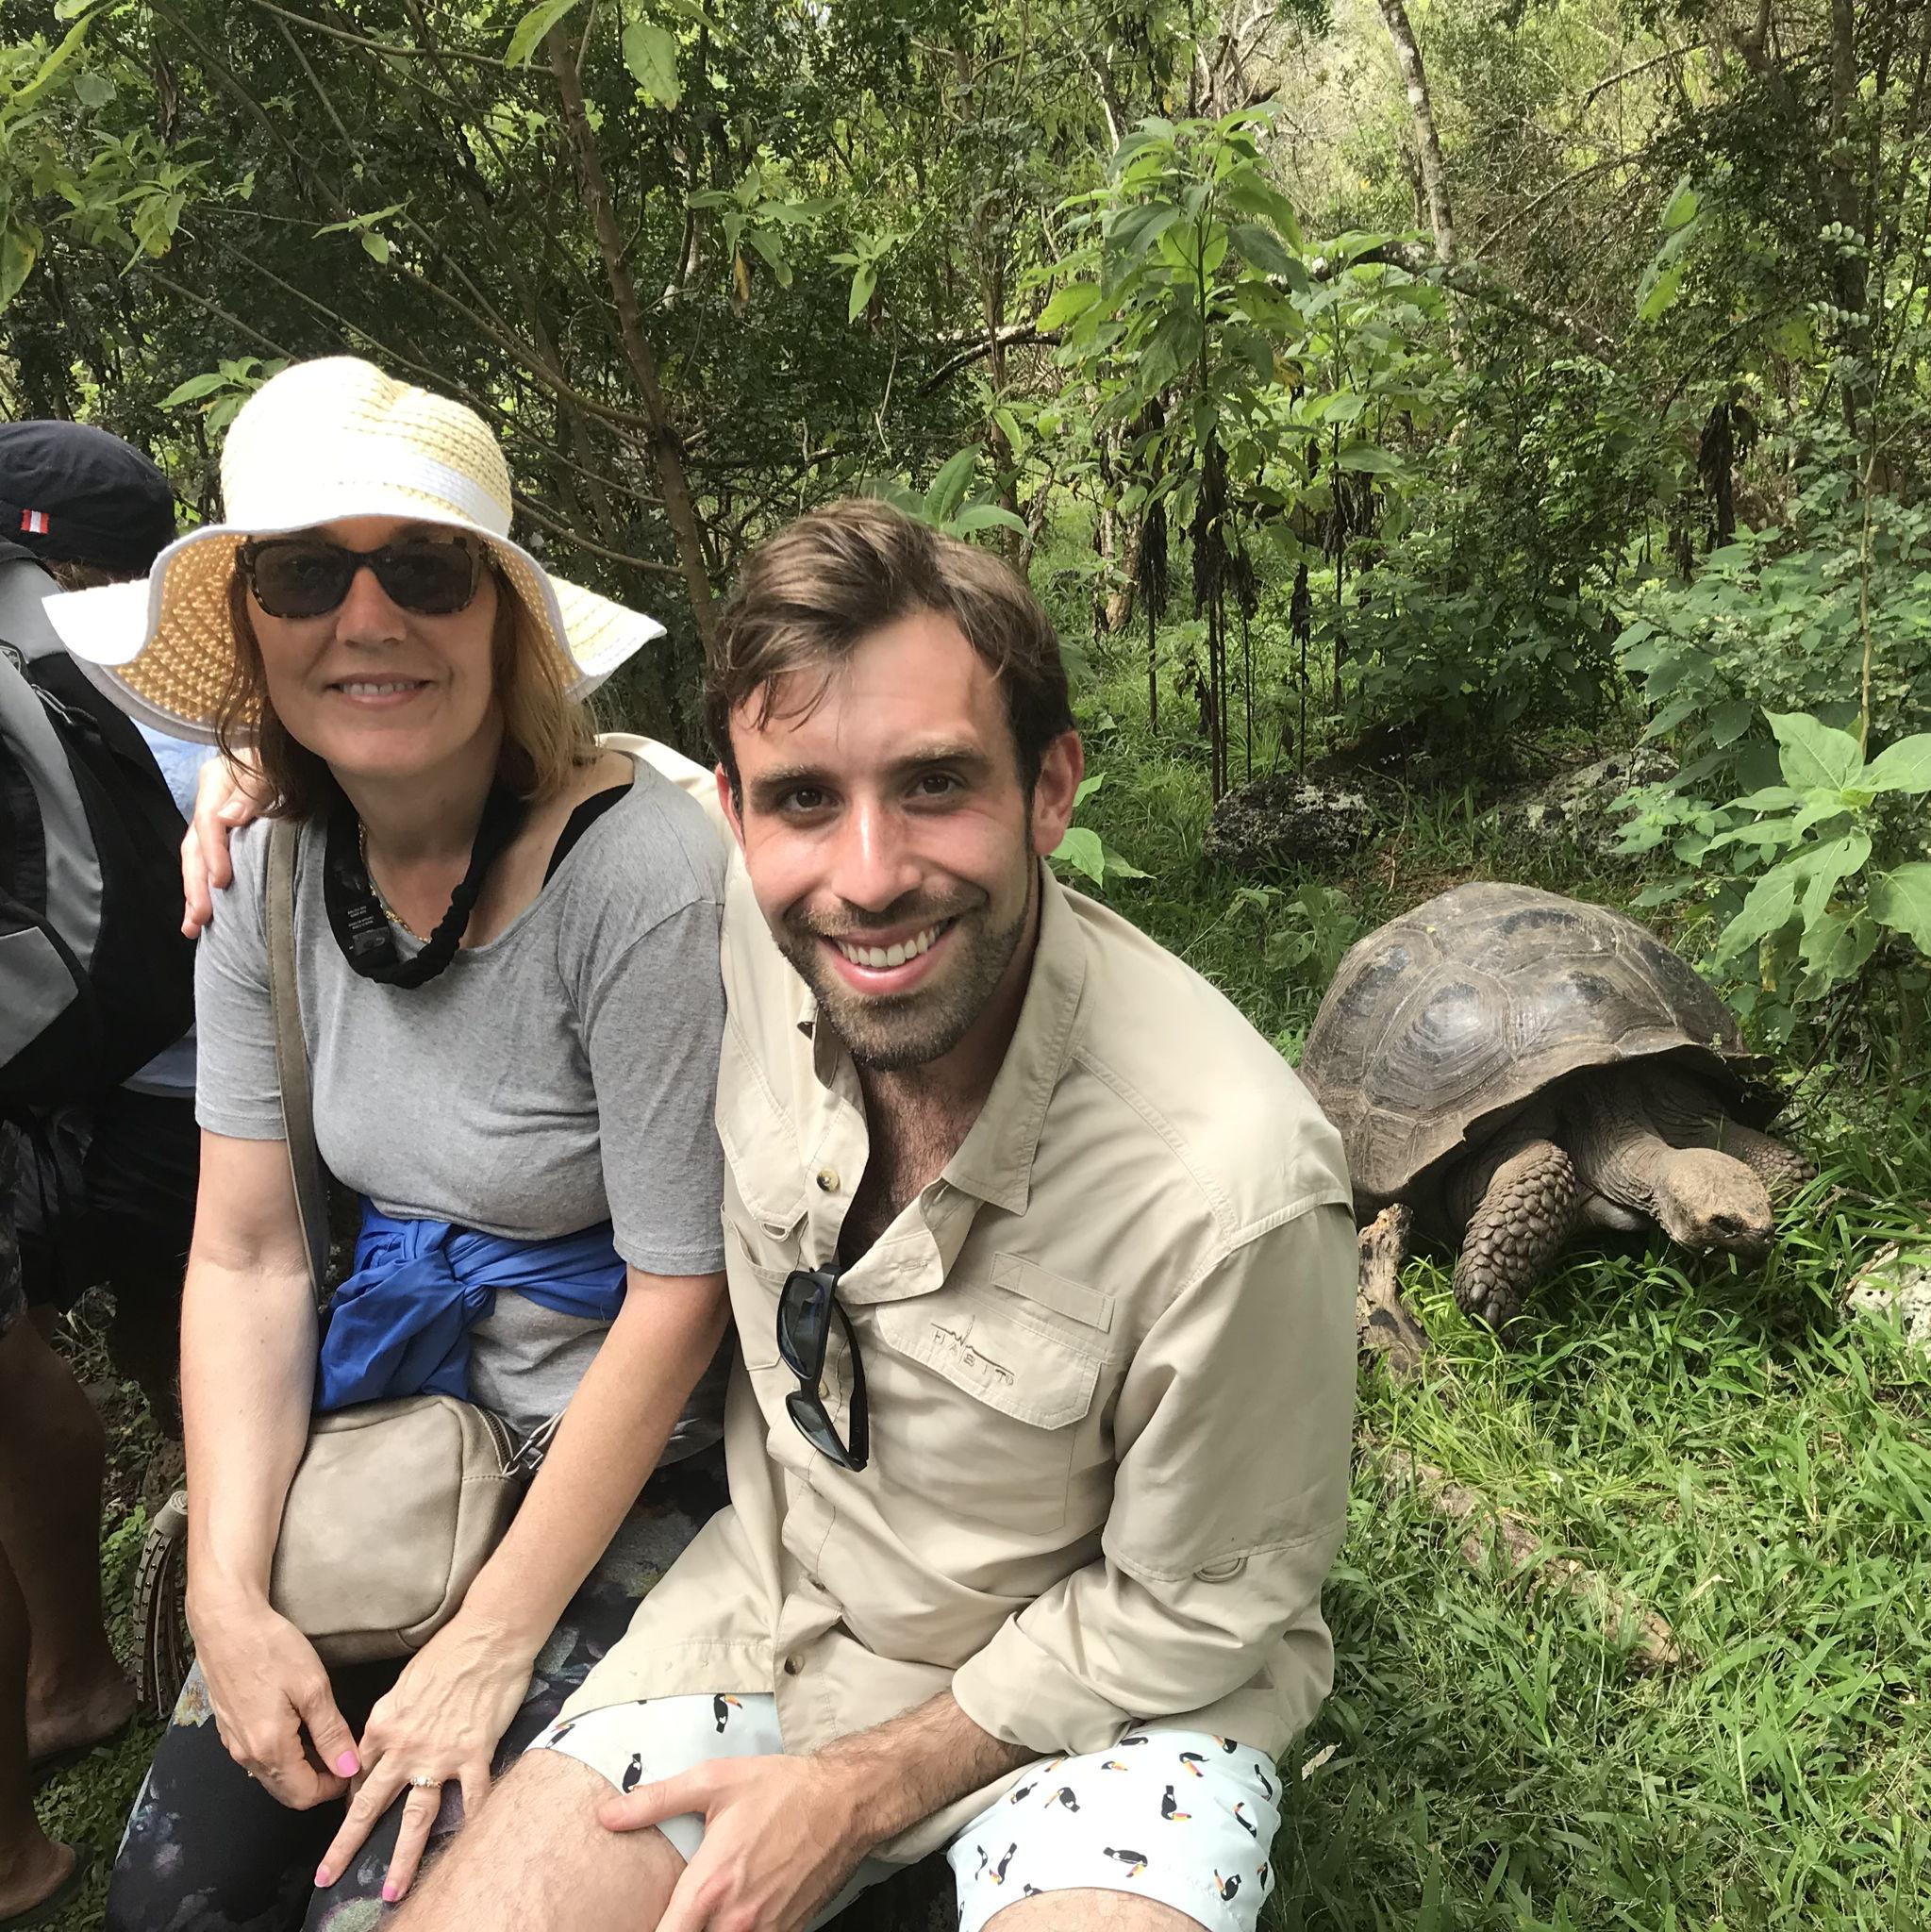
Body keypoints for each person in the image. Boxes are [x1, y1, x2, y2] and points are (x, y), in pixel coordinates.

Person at [350, 498, 1355, 1932]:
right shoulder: (737, 911)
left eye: (937, 785)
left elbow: (1197, 1610)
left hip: (1114, 1706)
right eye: (805, 799)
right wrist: (264, 786)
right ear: (739, 811)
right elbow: (529, 768)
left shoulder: (1232, 1192)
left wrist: (866, 1790)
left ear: (1050, 788)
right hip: (774, 1608)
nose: (869, 876)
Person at [44, 356, 733, 1932]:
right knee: (177, 1901)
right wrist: (228, 1588)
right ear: (259, 630)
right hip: (393, 1451)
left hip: (624, 1471)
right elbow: (248, 1248)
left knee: (384, 1904)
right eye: (305, 575)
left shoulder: (634, 884)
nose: (367, 622)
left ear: (500, 614)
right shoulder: (266, 874)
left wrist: (491, 1641)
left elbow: (677, 1293)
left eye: (421, 568)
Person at [0, 420, 190, 1929]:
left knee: (36, 1358)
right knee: (187, 1350)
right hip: (204, 1091)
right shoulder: (195, 661)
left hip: (50, 1088)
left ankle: (86, 1670)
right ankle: (180, 1627)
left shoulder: (29, 666)